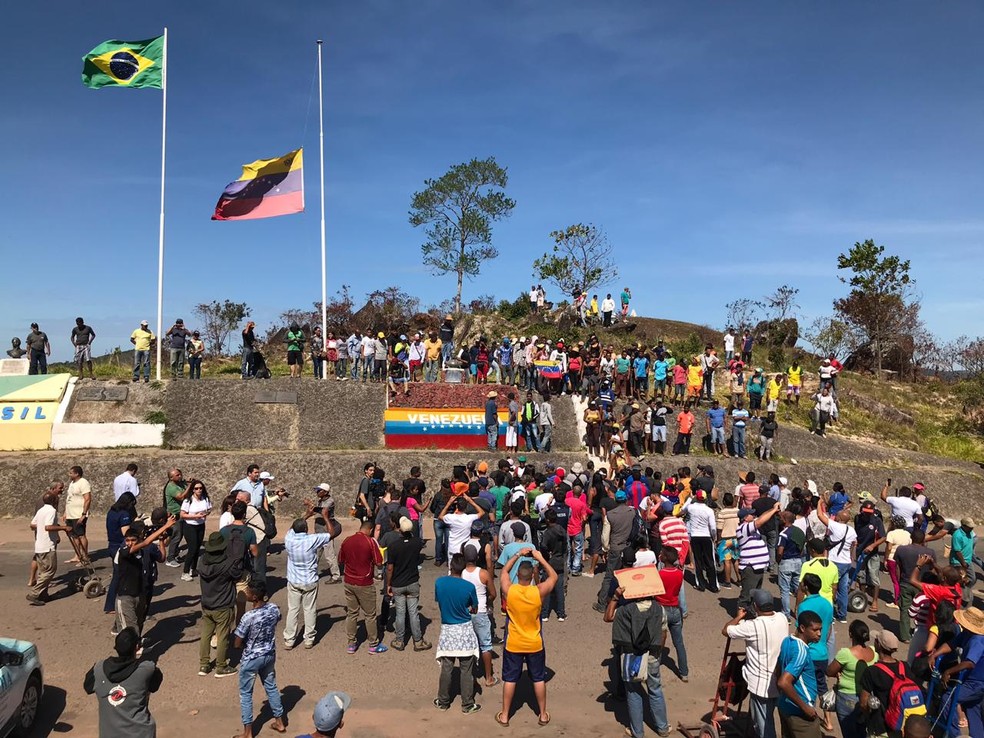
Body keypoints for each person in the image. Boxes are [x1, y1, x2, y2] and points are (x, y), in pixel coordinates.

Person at [497, 547, 557, 727]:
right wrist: (541, 559)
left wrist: (517, 555)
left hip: (514, 643)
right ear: (531, 576)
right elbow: (553, 577)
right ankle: (543, 714)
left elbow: (504, 571)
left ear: (519, 576)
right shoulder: (537, 591)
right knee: (538, 678)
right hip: (534, 642)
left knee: (510, 679)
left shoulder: (510, 590)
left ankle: (505, 715)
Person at [605, 580, 672, 738]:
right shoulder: (659, 609)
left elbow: (608, 617)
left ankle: (638, 732)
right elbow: (663, 634)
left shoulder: (624, 610)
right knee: (655, 690)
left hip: (631, 656)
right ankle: (662, 728)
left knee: (633, 692)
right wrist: (658, 652)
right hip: (653, 655)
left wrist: (615, 597)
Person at [723, 589, 790, 738]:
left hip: (762, 685)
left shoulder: (752, 626)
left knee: (765, 726)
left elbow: (726, 630)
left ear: (755, 606)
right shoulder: (782, 618)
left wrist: (738, 616)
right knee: (774, 719)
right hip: (781, 680)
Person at [84, 628, 163, 738]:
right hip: (141, 733)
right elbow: (154, 686)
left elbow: (87, 687)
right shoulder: (147, 669)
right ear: (137, 647)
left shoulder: (98, 669)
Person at [234, 579, 287, 737]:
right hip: (269, 654)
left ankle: (248, 732)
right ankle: (280, 721)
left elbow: (237, 643)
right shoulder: (273, 609)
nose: (247, 594)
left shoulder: (248, 617)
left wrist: (247, 645)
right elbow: (278, 617)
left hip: (252, 658)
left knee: (246, 694)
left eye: (249, 592)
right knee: (271, 687)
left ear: (255, 596)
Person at [432, 552, 482, 714]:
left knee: (447, 667)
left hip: (448, 630)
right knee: (466, 669)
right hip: (464, 630)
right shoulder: (469, 587)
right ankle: (467, 704)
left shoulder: (440, 583)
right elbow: (474, 608)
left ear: (451, 566)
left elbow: (439, 601)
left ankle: (443, 701)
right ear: (464, 569)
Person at [114, 517, 176, 638]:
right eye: (127, 540)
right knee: (130, 630)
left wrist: (161, 541)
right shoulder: (124, 551)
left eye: (133, 540)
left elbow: (161, 557)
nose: (130, 543)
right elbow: (146, 542)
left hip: (140, 594)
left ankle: (136, 645)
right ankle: (129, 649)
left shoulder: (142, 551)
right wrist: (166, 526)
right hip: (126, 596)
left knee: (139, 622)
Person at [283, 517, 338, 650]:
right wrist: (325, 516)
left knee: (293, 610)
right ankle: (309, 639)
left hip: (294, 580)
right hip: (309, 580)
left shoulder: (289, 539)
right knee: (310, 610)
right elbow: (332, 533)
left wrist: (306, 515)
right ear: (306, 529)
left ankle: (289, 639)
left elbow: (291, 528)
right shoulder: (312, 539)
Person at [197, 529, 244, 677]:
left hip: (207, 603)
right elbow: (238, 575)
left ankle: (204, 665)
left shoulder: (201, 562)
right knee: (223, 636)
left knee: (206, 634)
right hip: (223, 605)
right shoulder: (227, 564)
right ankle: (221, 666)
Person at [338, 520, 385, 654]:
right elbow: (379, 562)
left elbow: (340, 559)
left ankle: (351, 644)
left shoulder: (347, 540)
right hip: (365, 582)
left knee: (352, 613)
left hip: (349, 581)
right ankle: (373, 644)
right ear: (370, 530)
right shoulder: (370, 542)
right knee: (370, 615)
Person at [859, 630, 918, 738]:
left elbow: (863, 703)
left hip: (881, 726)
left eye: (876, 640)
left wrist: (868, 717)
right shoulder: (904, 666)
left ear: (879, 645)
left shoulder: (872, 671)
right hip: (902, 725)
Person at [776, 610, 824, 738]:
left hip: (785, 706)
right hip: (800, 713)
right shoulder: (801, 652)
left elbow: (778, 667)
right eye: (815, 630)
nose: (819, 634)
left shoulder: (787, 641)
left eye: (820, 630)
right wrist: (805, 708)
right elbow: (783, 682)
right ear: (802, 628)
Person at [797, 573, 835, 732]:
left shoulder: (804, 606)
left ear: (806, 586)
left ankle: (809, 715)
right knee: (822, 686)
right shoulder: (827, 604)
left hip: (808, 653)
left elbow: (800, 631)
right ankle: (828, 720)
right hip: (822, 653)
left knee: (805, 686)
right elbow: (829, 629)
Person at [387, 517, 431, 652]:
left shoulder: (394, 546)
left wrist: (388, 584)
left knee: (400, 612)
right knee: (413, 612)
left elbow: (390, 568)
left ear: (399, 529)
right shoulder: (417, 543)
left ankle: (399, 640)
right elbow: (418, 543)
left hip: (398, 583)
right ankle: (418, 641)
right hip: (412, 581)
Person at [827, 620, 877, 738]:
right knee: (862, 731)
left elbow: (829, 671)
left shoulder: (846, 653)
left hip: (847, 697)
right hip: (867, 696)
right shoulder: (874, 652)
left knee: (849, 733)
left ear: (850, 634)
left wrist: (839, 673)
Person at [27, 491, 72, 605]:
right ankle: (34, 593)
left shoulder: (41, 510)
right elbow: (47, 527)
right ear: (53, 501)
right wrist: (63, 528)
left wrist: (44, 526)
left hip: (39, 545)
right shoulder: (51, 511)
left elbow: (32, 525)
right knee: (50, 571)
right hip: (47, 546)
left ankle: (43, 595)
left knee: (43, 572)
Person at [816, 498, 857, 623]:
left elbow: (819, 515)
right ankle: (842, 615)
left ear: (838, 518)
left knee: (829, 587)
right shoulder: (852, 530)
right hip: (846, 562)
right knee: (843, 589)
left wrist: (819, 503)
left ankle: (829, 614)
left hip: (835, 561)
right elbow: (854, 544)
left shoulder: (835, 526)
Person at [179, 479, 212, 581]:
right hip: (189, 526)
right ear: (192, 490)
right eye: (196, 488)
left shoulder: (205, 499)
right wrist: (195, 516)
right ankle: (185, 572)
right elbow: (182, 515)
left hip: (200, 525)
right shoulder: (188, 500)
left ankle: (193, 569)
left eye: (200, 488)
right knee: (192, 548)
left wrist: (205, 514)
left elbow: (209, 509)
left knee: (197, 548)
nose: (199, 490)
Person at [777, 511, 807, 620]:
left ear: (785, 520)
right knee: (799, 589)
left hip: (786, 562)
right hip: (798, 562)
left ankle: (786, 614)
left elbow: (780, 551)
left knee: (785, 590)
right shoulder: (799, 532)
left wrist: (778, 560)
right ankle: (801, 613)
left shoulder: (783, 534)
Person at [64, 465, 92, 565]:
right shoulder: (72, 483)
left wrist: (84, 514)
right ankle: (77, 555)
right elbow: (69, 499)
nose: (69, 474)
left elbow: (87, 499)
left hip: (79, 514)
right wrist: (65, 513)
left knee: (81, 535)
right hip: (70, 514)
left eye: (71, 473)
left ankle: (85, 557)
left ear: (77, 473)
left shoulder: (83, 483)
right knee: (74, 536)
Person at [163, 468, 189, 566]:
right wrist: (190, 486)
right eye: (177, 475)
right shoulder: (171, 487)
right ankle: (170, 558)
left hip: (182, 514)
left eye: (180, 474)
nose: (180, 476)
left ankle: (175, 553)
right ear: (171, 478)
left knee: (180, 535)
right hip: (175, 515)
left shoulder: (181, 484)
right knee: (176, 536)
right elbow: (181, 496)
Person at [950, 517, 977, 607]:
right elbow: (957, 551)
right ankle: (961, 600)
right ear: (963, 526)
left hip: (968, 561)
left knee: (972, 579)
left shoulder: (969, 533)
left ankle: (964, 593)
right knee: (961, 579)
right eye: (970, 527)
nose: (971, 528)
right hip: (958, 562)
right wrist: (963, 563)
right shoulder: (957, 535)